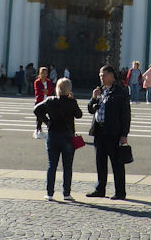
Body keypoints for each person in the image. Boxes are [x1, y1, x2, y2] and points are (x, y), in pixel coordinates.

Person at [86, 64, 130, 200]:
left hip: (113, 132)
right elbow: (90, 109)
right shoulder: (100, 91)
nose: (101, 78)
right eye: (100, 75)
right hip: (99, 131)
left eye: (103, 75)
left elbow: (125, 115)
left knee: (117, 163)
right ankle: (100, 189)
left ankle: (120, 192)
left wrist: (124, 134)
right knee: (100, 162)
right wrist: (93, 98)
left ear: (111, 75)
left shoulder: (120, 92)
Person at [34, 77, 83, 201]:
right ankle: (66, 193)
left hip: (53, 135)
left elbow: (36, 110)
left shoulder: (50, 101)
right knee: (67, 166)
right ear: (69, 89)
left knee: (52, 165)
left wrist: (47, 121)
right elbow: (79, 115)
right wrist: (73, 100)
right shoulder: (72, 102)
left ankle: (49, 193)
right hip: (67, 136)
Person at [32, 67, 54, 137]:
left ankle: (40, 129)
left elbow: (51, 90)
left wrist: (46, 91)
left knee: (43, 115)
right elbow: (37, 91)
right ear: (40, 74)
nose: (44, 75)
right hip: (39, 101)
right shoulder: (37, 81)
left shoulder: (49, 81)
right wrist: (44, 91)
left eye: (45, 73)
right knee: (39, 116)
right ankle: (38, 130)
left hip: (47, 101)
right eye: (42, 73)